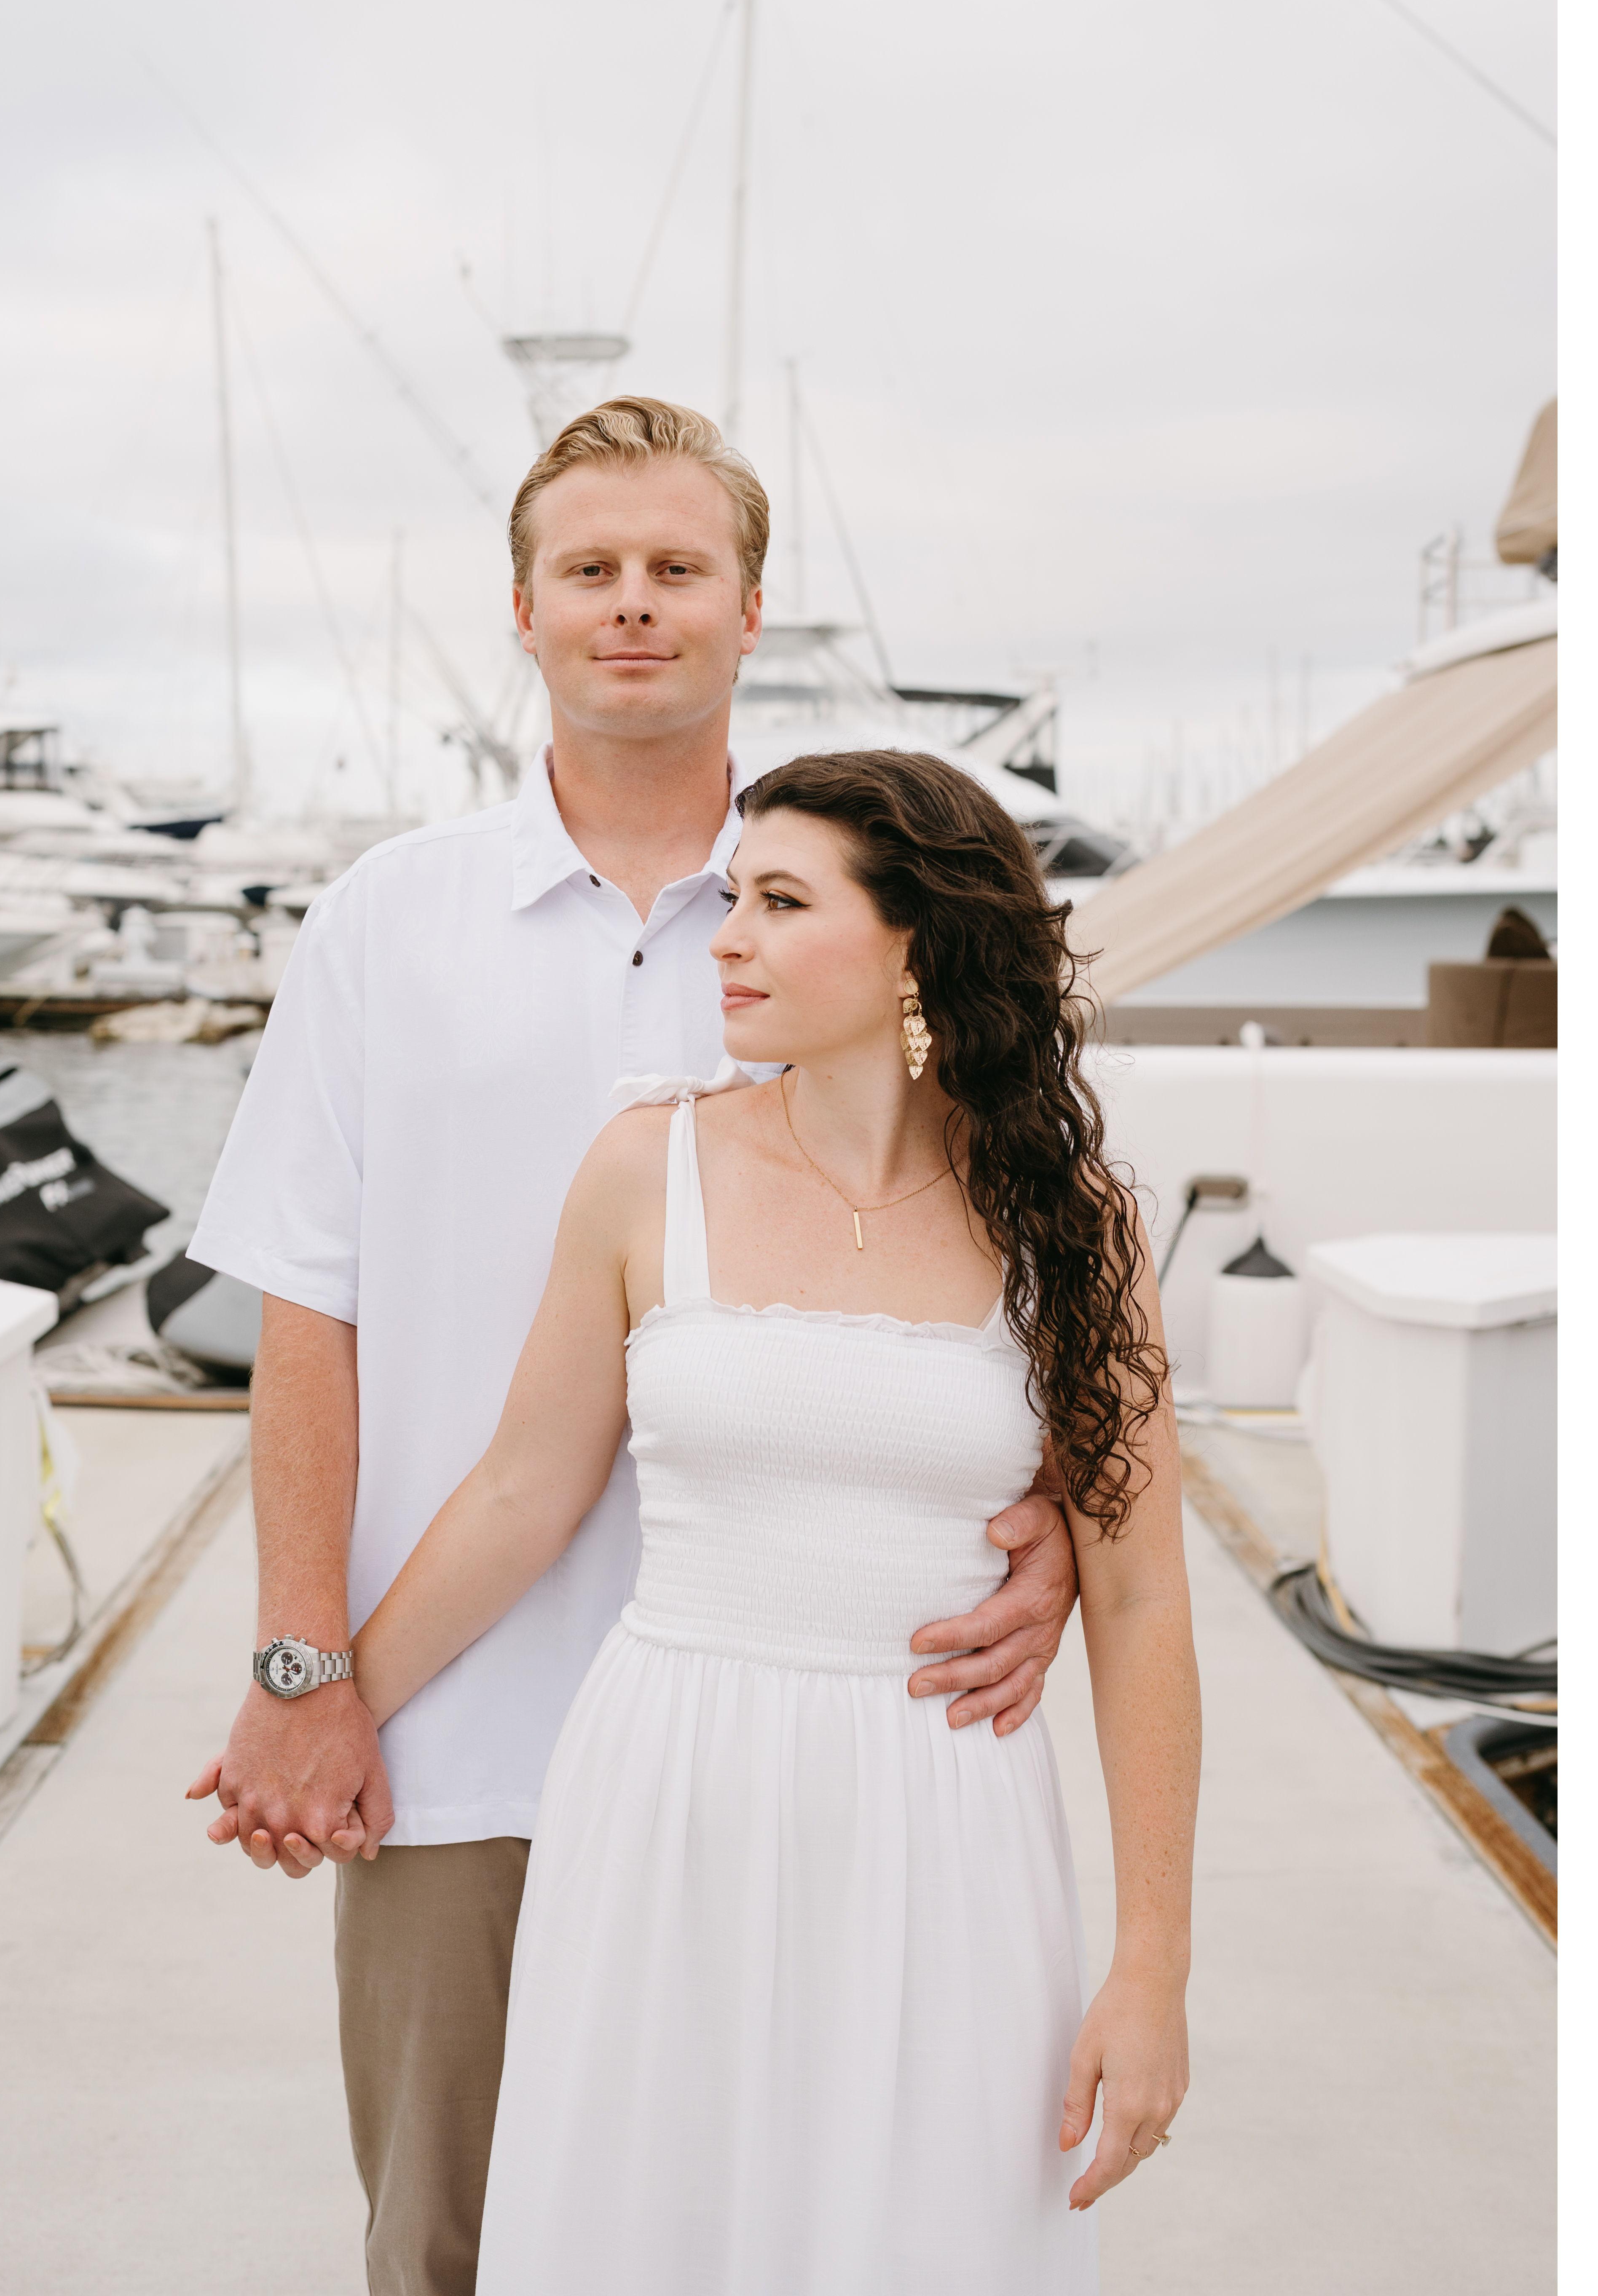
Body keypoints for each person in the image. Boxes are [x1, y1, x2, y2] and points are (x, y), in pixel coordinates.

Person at [184, 399, 1081, 2294]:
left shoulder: (854, 910)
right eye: (589, 568)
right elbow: (308, 1316)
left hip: (812, 1740)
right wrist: (305, 1668)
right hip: (460, 1727)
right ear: (523, 607)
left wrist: (1069, 1528)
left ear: (753, 608)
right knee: (444, 2248)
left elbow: (1039, 1249)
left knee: (789, 2244)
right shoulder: (387, 921)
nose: (634, 604)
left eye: (680, 566)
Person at [354, 748, 1201, 2290]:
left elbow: (1141, 1602)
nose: (726, 940)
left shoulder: (1074, 1227)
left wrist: (1153, 1970)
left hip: (945, 1820)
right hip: (667, 1795)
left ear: (918, 946)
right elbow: (523, 1491)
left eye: (781, 904)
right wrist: (328, 1703)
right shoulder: (646, 1167)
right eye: (733, 898)